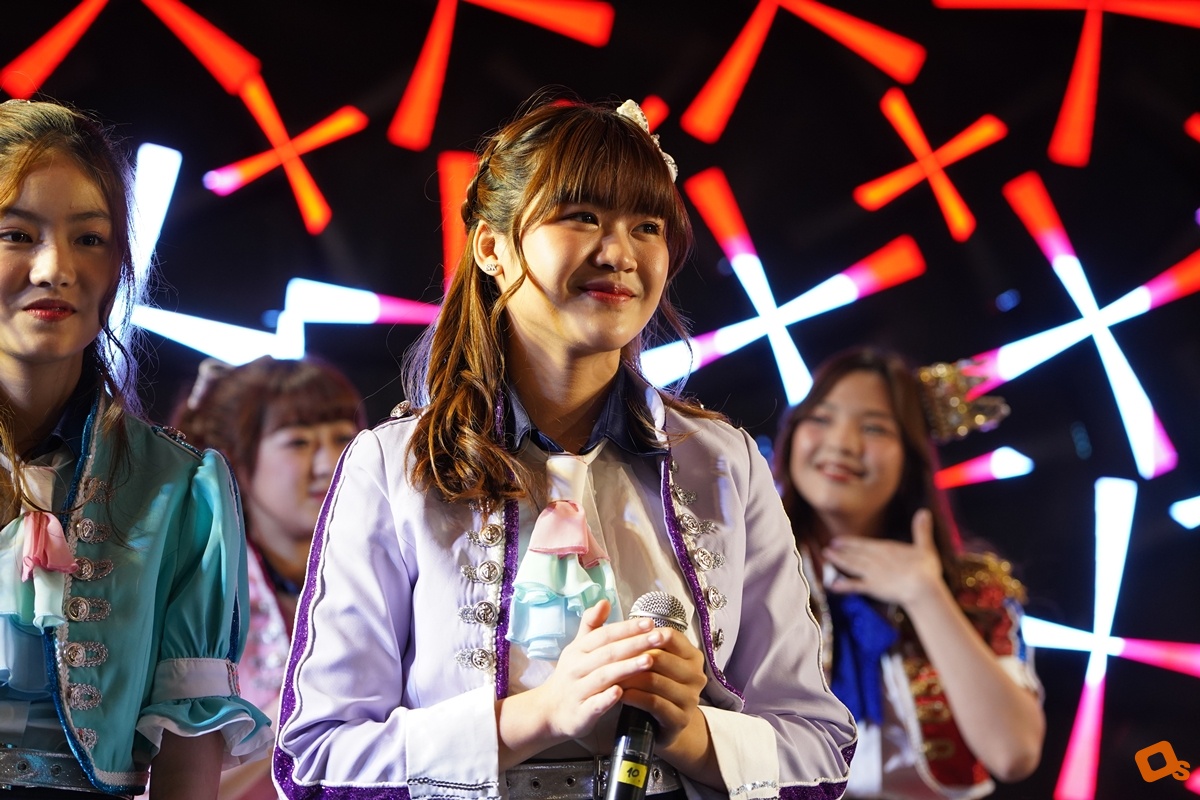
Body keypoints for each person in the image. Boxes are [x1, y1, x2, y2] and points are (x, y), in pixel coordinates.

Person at [274, 95, 856, 799]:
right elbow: (316, 760)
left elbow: (820, 748)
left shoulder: (725, 462)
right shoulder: (395, 467)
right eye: (581, 216)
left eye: (648, 226)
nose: (620, 254)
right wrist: (539, 716)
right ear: (491, 248)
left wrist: (692, 733)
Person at [0, 97, 271, 798]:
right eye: (17, 234)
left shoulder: (178, 489)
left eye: (89, 238)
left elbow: (188, 766)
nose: (56, 268)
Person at [773, 347, 1045, 800]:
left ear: (909, 458)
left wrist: (926, 594)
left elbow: (1013, 753)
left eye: (874, 427)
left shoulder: (970, 586)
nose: (842, 443)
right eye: (821, 418)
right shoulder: (744, 568)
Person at [171, 355, 366, 800]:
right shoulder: (199, 590)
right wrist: (303, 709)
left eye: (343, 437)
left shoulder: (385, 571)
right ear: (237, 460)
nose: (331, 463)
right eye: (299, 442)